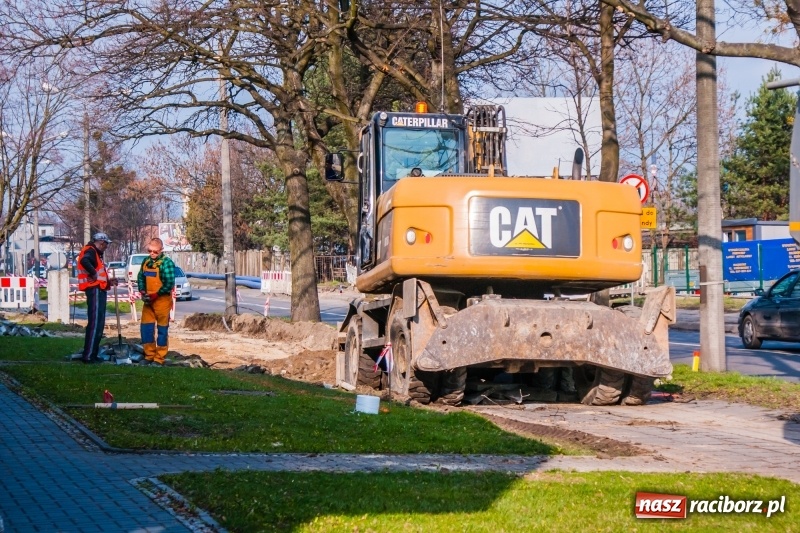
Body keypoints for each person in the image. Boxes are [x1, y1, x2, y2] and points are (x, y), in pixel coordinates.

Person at [77, 232, 118, 363]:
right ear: (101, 243)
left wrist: (109, 281)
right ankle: (88, 356)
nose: (106, 247)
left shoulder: (96, 253)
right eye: (106, 245)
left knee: (98, 324)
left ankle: (92, 354)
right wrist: (93, 273)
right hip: (94, 290)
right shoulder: (90, 251)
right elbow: (84, 261)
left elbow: (100, 275)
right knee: (95, 324)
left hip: (98, 289)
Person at [137, 237, 176, 365]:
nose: (152, 254)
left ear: (161, 250)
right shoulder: (146, 261)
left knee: (162, 330)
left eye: (155, 252)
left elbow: (169, 283)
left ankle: (159, 358)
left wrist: (156, 294)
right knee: (146, 328)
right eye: (150, 251)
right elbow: (141, 278)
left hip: (162, 302)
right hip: (148, 301)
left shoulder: (167, 263)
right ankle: (149, 355)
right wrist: (142, 291)